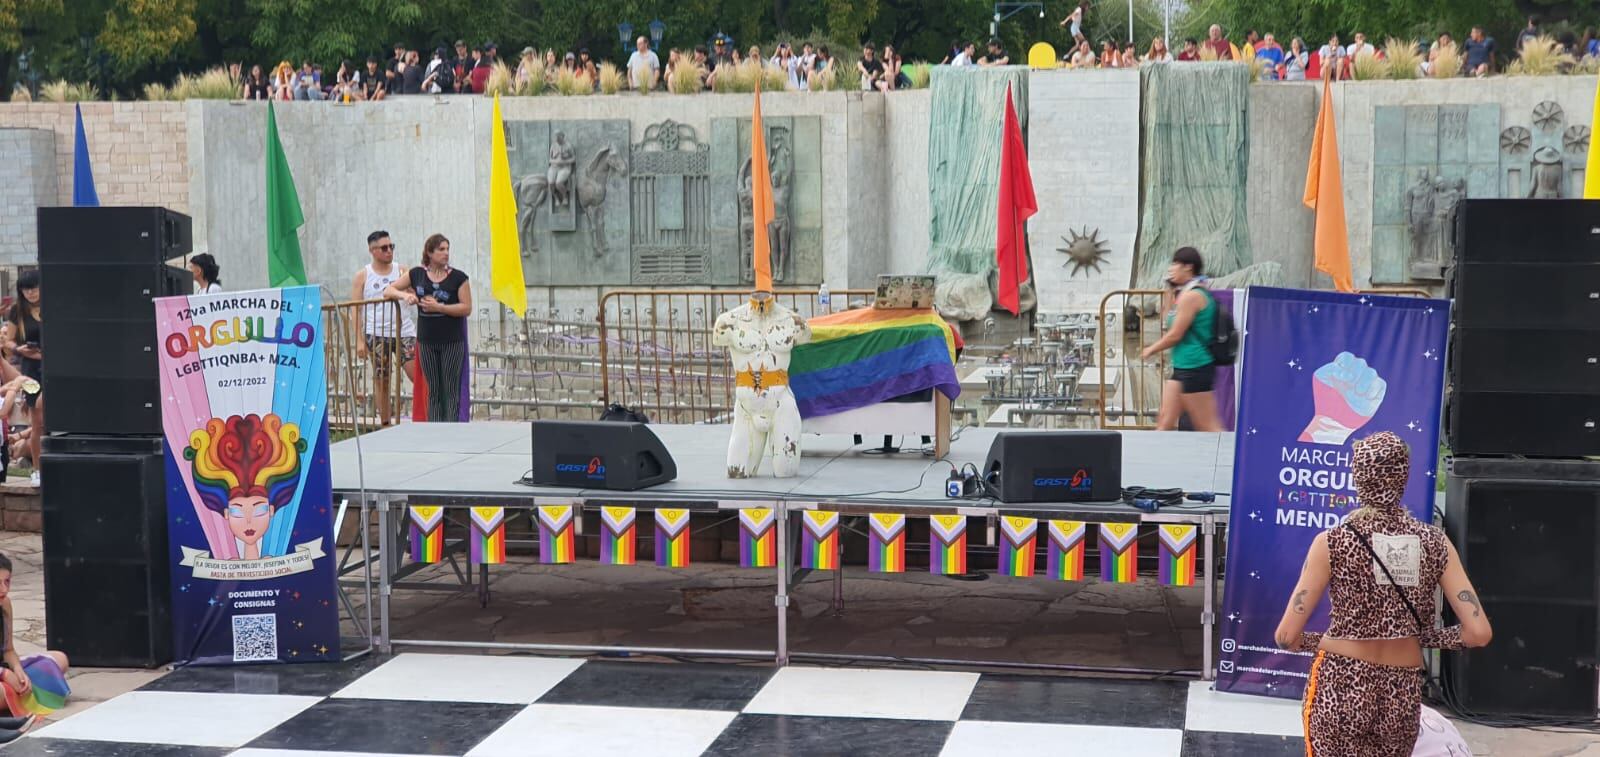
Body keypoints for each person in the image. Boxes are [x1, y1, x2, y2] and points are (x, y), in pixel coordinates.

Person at [1275, 431, 1492, 756]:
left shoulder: (1332, 542)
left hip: (1340, 682)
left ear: (1358, 478)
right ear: (1403, 477)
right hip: (1401, 690)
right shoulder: (1435, 543)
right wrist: (1421, 637)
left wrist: (1326, 641)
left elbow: (1286, 637)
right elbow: (1478, 633)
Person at [383, 234, 470, 423]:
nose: (446, 253)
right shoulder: (417, 274)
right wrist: (405, 296)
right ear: (430, 252)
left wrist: (440, 307)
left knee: (450, 388)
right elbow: (388, 290)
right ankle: (435, 430)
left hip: (451, 341)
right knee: (433, 389)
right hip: (427, 341)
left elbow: (466, 307)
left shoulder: (458, 278)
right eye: (441, 249)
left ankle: (452, 429)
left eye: (447, 249)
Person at [1139, 247, 1222, 432]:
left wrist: (1151, 349)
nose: (1171, 268)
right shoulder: (1184, 294)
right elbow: (1168, 320)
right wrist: (1169, 290)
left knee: (1207, 424)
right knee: (1164, 421)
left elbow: (1175, 334)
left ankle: (1232, 459)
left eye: (1176, 264)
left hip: (1196, 366)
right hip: (1183, 367)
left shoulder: (1193, 296)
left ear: (1188, 267)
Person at [352, 231, 416, 426]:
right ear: (372, 250)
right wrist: (360, 340)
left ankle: (427, 419)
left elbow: (415, 293)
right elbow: (356, 309)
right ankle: (386, 423)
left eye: (391, 246)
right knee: (382, 379)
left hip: (404, 331)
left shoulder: (403, 271)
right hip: (377, 333)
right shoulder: (363, 275)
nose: (389, 251)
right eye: (384, 248)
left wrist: (411, 292)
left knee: (417, 375)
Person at [0, 552, 70, 726]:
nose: (4, 589)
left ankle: (15, 693)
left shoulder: (5, 604)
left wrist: (18, 671)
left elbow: (8, 650)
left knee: (59, 659)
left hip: (4, 668)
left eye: (7, 581)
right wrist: (4, 674)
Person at [6, 274, 42, 486]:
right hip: (29, 369)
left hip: (53, 366)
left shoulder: (53, 306)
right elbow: (9, 342)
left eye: (34, 288)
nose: (31, 293)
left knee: (45, 421)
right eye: (26, 289)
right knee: (37, 419)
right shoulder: (17, 312)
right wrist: (19, 349)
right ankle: (36, 469)